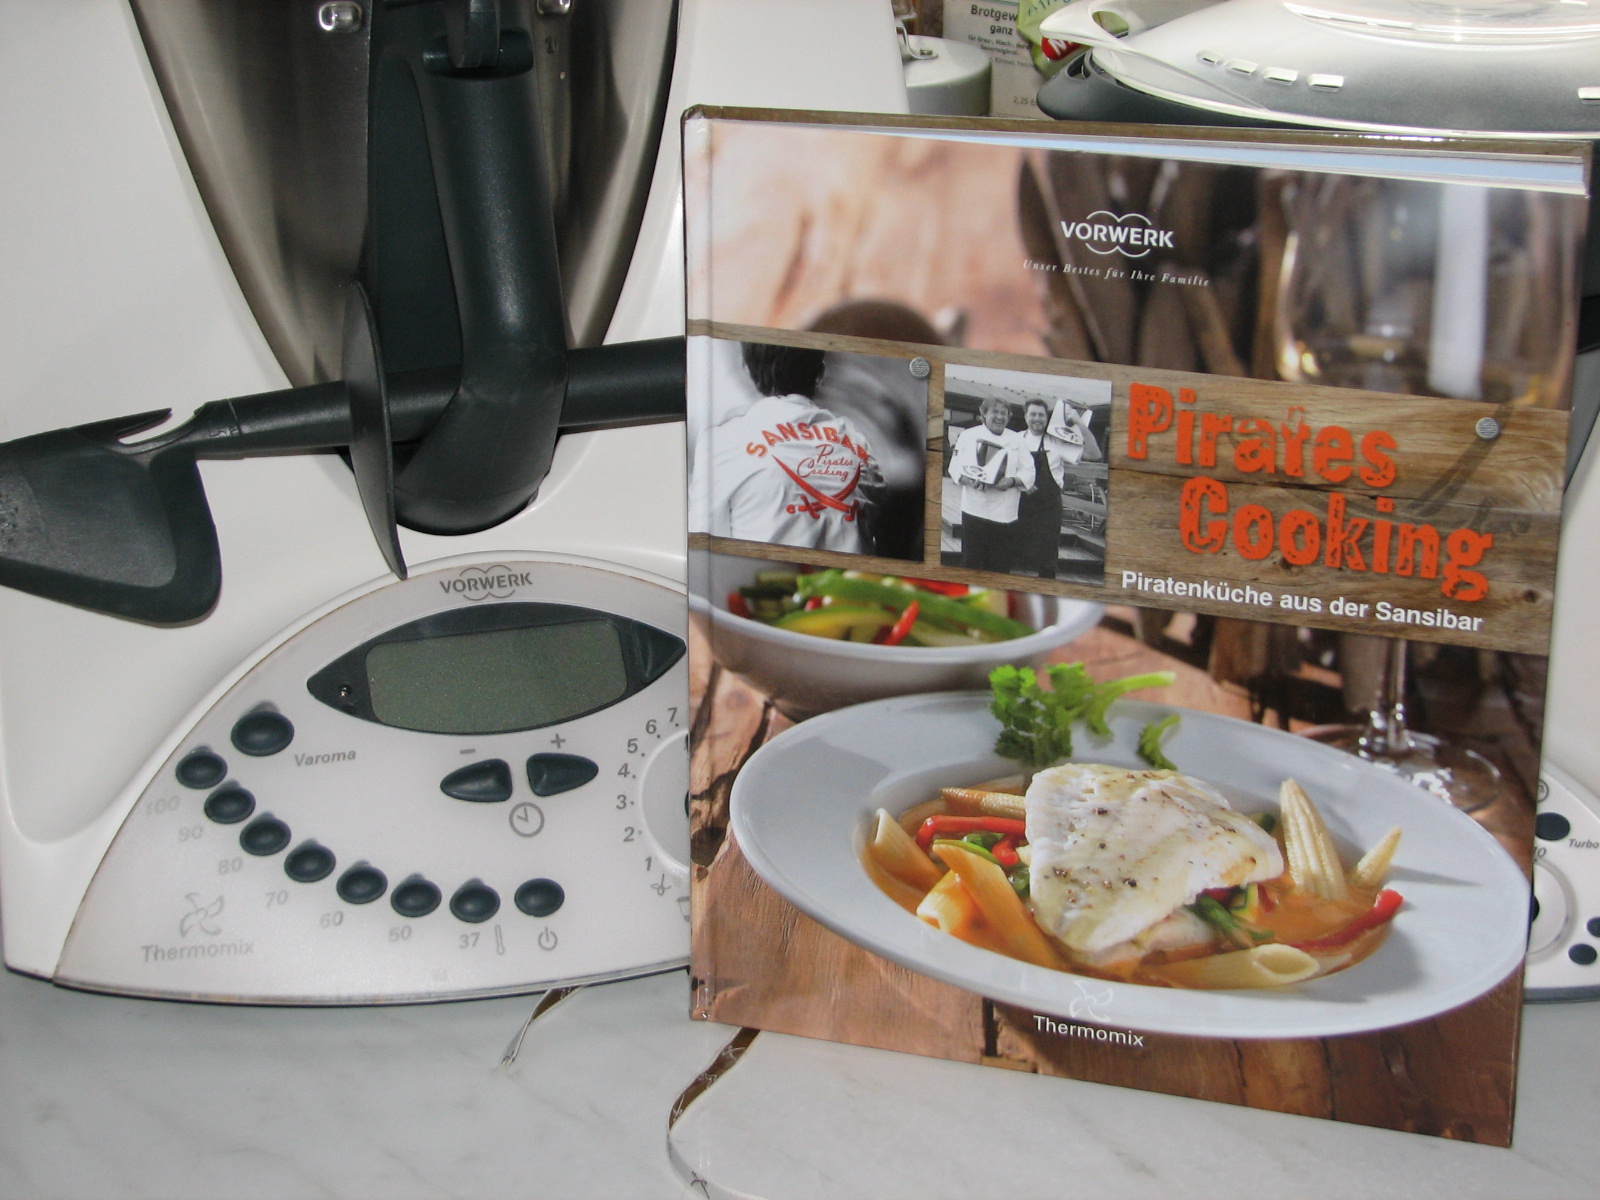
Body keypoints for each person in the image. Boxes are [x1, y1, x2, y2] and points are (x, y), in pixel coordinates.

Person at [689, 342, 882, 553]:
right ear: (821, 371)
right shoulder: (858, 443)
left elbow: (703, 543)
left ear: (746, 368)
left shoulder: (721, 442)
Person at [1016, 396, 1101, 578]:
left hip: (1048, 509)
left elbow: (1094, 454)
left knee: (1047, 561)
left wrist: (1079, 423)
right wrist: (1021, 483)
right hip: (1018, 505)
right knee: (1014, 556)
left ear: (1047, 418)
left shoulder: (1057, 441)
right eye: (1033, 414)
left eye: (1041, 415)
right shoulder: (1015, 440)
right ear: (1025, 416)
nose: (1037, 418)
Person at [947, 396, 1033, 572]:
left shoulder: (1017, 440)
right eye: (994, 412)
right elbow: (954, 468)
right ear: (983, 414)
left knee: (999, 566)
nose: (999, 417)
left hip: (1005, 514)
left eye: (1004, 413)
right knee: (970, 563)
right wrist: (970, 481)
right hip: (974, 510)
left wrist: (1011, 481)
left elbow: (1029, 472)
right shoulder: (968, 435)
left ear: (1008, 416)